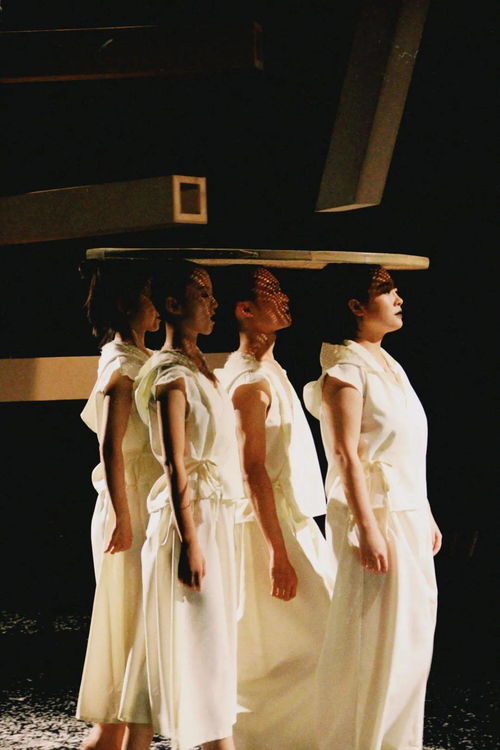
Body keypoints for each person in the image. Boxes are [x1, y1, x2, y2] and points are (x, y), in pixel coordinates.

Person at [303, 264, 442, 750]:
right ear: (356, 306)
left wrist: (424, 509)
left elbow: (405, 447)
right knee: (378, 641)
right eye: (387, 291)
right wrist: (366, 527)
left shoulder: (385, 362)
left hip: (404, 511)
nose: (398, 298)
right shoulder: (345, 369)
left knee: (410, 641)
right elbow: (344, 454)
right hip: (376, 515)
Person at [121, 261, 244, 750]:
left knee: (204, 642)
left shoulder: (200, 370)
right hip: (191, 520)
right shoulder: (171, 376)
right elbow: (174, 464)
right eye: (203, 295)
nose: (213, 304)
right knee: (197, 640)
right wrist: (190, 540)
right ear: (173, 305)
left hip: (216, 515)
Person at [216, 266, 333, 750]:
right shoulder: (248, 382)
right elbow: (252, 469)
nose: (284, 300)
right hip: (268, 525)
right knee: (283, 642)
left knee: (317, 636)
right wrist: (276, 552)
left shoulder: (268, 371)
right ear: (245, 310)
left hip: (292, 518)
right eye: (271, 294)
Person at [76, 260, 162, 750]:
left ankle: (119, 732)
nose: (158, 306)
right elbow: (110, 447)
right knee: (129, 619)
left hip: (146, 499)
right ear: (129, 304)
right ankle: (114, 730)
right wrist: (123, 517)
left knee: (139, 623)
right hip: (129, 504)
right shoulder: (121, 366)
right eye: (151, 296)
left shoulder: (140, 356)